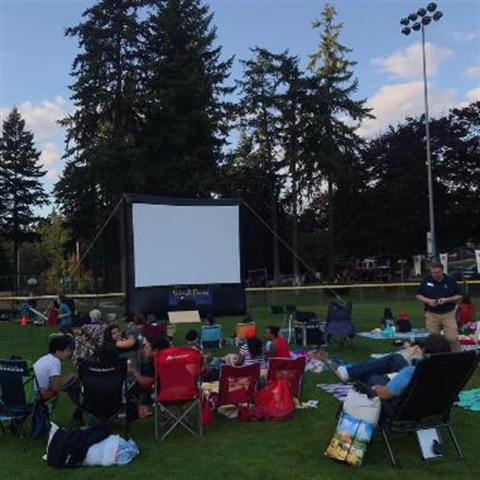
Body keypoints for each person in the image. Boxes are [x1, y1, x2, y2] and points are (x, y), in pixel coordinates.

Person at [369, 334, 451, 415]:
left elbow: (385, 395)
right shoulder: (450, 373)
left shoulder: (411, 372)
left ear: (424, 351)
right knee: (396, 358)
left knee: (373, 378)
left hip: (403, 410)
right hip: (434, 407)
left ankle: (357, 373)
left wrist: (375, 388)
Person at [324, 341, 424, 384]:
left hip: (417, 377)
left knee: (394, 358)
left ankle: (348, 373)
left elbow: (386, 393)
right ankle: (354, 373)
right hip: (424, 374)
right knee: (386, 361)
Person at [416, 261, 462, 352]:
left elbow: (459, 296)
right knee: (432, 340)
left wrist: (446, 300)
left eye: (437, 272)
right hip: (431, 314)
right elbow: (418, 295)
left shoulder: (450, 281)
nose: (434, 275)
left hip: (448, 314)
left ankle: (457, 356)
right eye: (432, 272)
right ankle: (433, 358)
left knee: (452, 338)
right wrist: (428, 301)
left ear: (442, 271)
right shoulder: (426, 281)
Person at [33, 335, 76, 402]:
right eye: (67, 350)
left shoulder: (44, 358)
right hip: (35, 395)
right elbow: (55, 388)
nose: (70, 353)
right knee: (54, 393)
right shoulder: (55, 361)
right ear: (58, 351)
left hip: (29, 392)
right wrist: (69, 378)